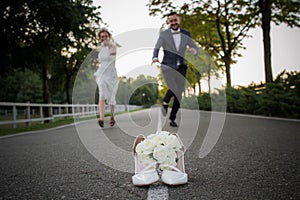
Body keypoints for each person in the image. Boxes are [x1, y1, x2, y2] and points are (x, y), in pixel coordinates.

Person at [152, 11, 198, 127]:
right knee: (173, 87)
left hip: (181, 66)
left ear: (179, 20)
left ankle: (172, 118)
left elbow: (193, 45)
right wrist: (155, 57)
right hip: (167, 65)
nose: (173, 23)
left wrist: (194, 50)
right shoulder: (164, 34)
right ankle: (165, 102)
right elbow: (157, 47)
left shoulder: (186, 33)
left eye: (175, 20)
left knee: (179, 94)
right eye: (171, 21)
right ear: (169, 22)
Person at [94, 29, 119, 127]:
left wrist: (108, 44)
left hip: (111, 75)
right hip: (102, 74)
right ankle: (101, 118)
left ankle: (112, 117)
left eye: (105, 36)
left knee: (112, 97)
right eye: (102, 37)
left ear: (109, 37)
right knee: (102, 94)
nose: (103, 38)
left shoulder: (113, 46)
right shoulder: (99, 49)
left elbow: (112, 54)